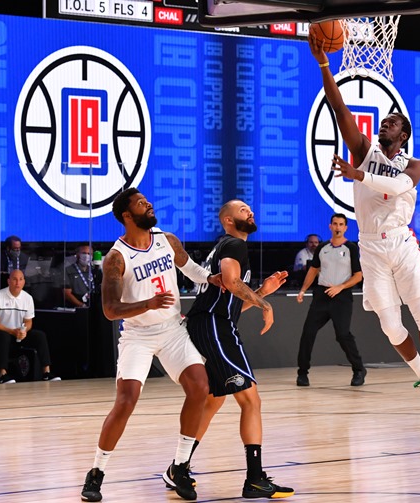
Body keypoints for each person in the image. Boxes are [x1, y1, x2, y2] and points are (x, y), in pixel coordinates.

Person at [310, 34, 420, 419]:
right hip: (371, 247)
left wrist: (358, 174)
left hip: (402, 244)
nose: (383, 126)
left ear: (402, 134)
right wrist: (325, 66)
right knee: (391, 327)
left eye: (391, 123)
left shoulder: (414, 165)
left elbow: (396, 187)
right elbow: (339, 109)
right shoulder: (363, 149)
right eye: (383, 122)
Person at [80, 188, 219, 503]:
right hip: (137, 335)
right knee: (126, 401)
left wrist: (211, 279)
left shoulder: (166, 240)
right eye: (141, 203)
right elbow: (110, 310)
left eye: (148, 200)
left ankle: (179, 467)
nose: (149, 204)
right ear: (127, 215)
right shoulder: (117, 257)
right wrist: (148, 303)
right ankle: (96, 473)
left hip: (172, 329)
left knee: (200, 387)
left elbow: (191, 268)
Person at [185, 199, 294, 500]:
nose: (251, 211)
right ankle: (255, 479)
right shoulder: (234, 244)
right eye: (243, 209)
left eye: (250, 208)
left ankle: (179, 466)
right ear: (228, 220)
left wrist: (261, 292)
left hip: (209, 323)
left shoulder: (226, 248)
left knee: (212, 401)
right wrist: (266, 304)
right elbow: (232, 283)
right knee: (250, 400)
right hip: (214, 326)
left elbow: (233, 303)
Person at [296, 213, 366, 387]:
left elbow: (358, 275)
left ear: (346, 227)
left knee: (343, 335)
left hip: (341, 296)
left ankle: (358, 369)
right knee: (308, 333)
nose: (337, 227)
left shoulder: (351, 248)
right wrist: (303, 290)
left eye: (341, 224)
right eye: (335, 224)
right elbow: (313, 270)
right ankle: (302, 373)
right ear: (330, 226)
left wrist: (341, 287)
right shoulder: (322, 247)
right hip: (321, 295)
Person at [0, 269, 60, 383]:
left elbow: (28, 322)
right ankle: (2, 374)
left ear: (24, 282)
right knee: (4, 336)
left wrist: (24, 331)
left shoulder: (28, 298)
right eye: (14, 279)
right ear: (8, 281)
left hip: (18, 334)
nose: (17, 282)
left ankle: (46, 372)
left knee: (39, 335)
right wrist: (12, 331)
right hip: (0, 333)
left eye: (20, 279)